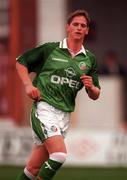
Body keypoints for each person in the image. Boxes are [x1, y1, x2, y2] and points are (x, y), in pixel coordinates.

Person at [16, 9, 101, 180]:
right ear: (67, 27)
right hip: (45, 109)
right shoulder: (50, 49)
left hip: (64, 115)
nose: (78, 28)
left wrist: (91, 88)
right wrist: (27, 85)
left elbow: (95, 94)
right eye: (75, 24)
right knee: (59, 155)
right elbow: (21, 61)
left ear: (87, 30)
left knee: (33, 169)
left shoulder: (89, 59)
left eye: (82, 25)